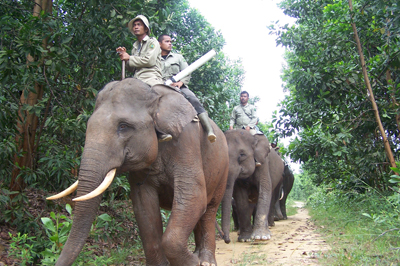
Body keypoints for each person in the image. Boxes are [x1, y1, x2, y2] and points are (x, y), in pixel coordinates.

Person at [157, 34, 216, 143]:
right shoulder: (155, 59)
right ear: (159, 44)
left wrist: (180, 83)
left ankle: (209, 130)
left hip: (178, 86)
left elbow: (187, 72)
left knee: (193, 98)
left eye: (170, 41)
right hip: (161, 87)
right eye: (167, 41)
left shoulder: (178, 57)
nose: (170, 43)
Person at [116, 15, 163, 87]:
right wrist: (124, 58)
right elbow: (132, 69)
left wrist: (129, 58)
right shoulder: (135, 45)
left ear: (146, 29)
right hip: (137, 79)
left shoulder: (152, 42)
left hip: (151, 78)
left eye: (139, 25)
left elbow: (149, 61)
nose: (136, 27)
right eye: (134, 25)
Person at [230, 91, 261, 166]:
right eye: (241, 96)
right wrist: (231, 126)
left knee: (256, 140)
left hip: (249, 128)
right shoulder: (236, 108)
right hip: (238, 128)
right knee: (229, 140)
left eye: (244, 96)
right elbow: (232, 118)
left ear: (247, 98)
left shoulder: (252, 107)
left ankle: (256, 159)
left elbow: (254, 118)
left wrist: (249, 126)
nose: (243, 98)